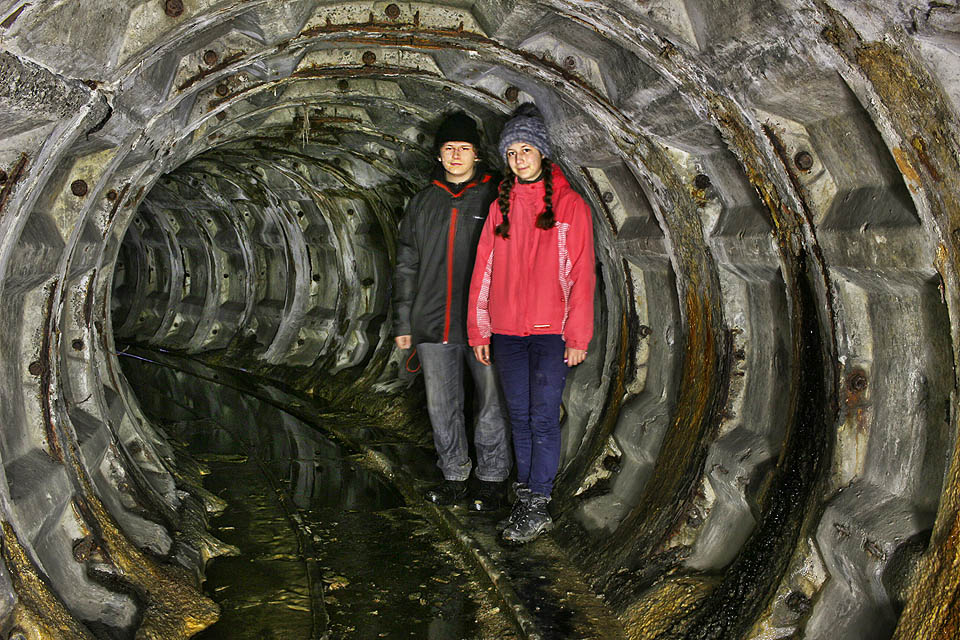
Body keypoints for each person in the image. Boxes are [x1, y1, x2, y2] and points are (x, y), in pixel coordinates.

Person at [467, 103, 595, 543]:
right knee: (518, 417)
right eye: (512, 151)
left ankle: (538, 502)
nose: (519, 158)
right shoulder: (500, 207)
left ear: (542, 152)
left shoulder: (569, 205)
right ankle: (525, 495)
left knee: (541, 417)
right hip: (506, 333)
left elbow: (582, 274)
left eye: (526, 149)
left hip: (550, 334)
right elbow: (482, 269)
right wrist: (479, 329)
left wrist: (578, 335)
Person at [393, 111, 510, 511]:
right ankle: (454, 475)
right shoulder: (423, 202)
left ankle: (493, 478)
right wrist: (403, 321)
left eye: (464, 148)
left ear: (477, 155)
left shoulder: (497, 196)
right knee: (441, 405)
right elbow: (406, 264)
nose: (456, 155)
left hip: (485, 322)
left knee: (491, 401)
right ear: (439, 155)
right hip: (432, 320)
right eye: (449, 148)